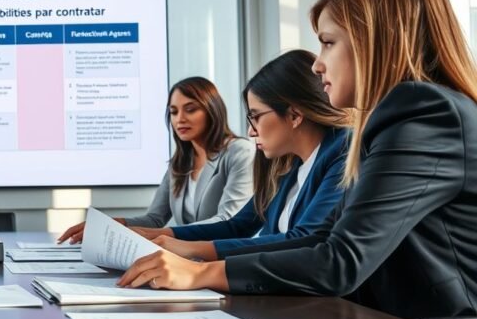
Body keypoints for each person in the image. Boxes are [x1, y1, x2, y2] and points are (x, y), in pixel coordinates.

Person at [120, 0, 477, 319]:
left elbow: (341, 261)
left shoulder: (424, 112)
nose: (317, 65)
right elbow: (320, 240)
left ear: (375, 40)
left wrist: (202, 272)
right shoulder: (397, 119)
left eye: (327, 43)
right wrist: (196, 258)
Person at [135, 50, 348, 261]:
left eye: (255, 116)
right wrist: (164, 235)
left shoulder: (342, 153)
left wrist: (194, 254)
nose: (250, 131)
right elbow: (238, 225)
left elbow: (304, 240)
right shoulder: (289, 167)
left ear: (294, 115)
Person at [58, 77, 254, 244]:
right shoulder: (180, 163)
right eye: (174, 112)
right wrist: (110, 225)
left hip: (224, 261)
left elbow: (228, 220)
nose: (180, 119)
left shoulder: (239, 152)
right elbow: (154, 219)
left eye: (191, 109)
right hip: (188, 259)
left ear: (212, 111)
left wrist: (164, 235)